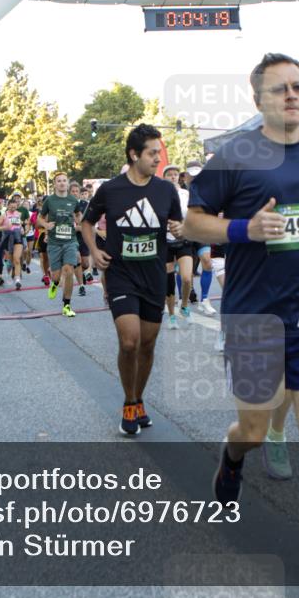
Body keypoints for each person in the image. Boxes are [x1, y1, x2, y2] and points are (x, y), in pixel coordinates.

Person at [184, 53, 299, 592]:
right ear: (258, 98)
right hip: (253, 316)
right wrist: (245, 229)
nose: (291, 95)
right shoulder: (234, 156)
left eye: (298, 87)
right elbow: (192, 223)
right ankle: (232, 458)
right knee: (254, 428)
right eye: (280, 89)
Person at [81, 124, 182, 436]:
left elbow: (178, 226)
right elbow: (86, 223)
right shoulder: (110, 190)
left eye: (159, 153)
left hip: (154, 276)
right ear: (134, 154)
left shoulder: (166, 190)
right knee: (129, 341)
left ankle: (139, 399)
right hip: (121, 275)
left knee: (147, 344)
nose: (158, 159)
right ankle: (129, 402)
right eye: (152, 153)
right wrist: (94, 251)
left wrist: (180, 229)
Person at [39, 172, 83, 317]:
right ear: (55, 184)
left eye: (64, 180)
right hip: (54, 242)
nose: (62, 183)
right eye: (59, 181)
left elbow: (78, 214)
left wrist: (79, 220)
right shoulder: (49, 200)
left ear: (67, 183)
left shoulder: (73, 200)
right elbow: (40, 218)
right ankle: (55, 283)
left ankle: (67, 305)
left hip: (70, 240)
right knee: (56, 275)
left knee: (69, 270)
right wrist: (46, 225)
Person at [184, 160, 218, 317]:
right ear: (186, 176)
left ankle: (205, 299)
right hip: (184, 232)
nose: (195, 177)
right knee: (185, 270)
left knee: (207, 262)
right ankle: (184, 298)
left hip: (201, 231)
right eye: (192, 175)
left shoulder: (208, 189)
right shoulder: (180, 191)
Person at [162, 164, 193, 329]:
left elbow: (192, 213)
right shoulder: (159, 195)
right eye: (169, 174)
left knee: (187, 278)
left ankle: (185, 305)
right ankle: (172, 316)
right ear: (164, 178)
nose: (173, 176)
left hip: (183, 239)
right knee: (169, 281)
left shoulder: (186, 194)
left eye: (175, 174)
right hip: (165, 241)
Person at [0, 196, 26, 289]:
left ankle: (17, 280)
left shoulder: (19, 214)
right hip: (8, 238)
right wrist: (5, 227)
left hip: (18, 237)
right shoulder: (4, 215)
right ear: (8, 206)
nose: (13, 209)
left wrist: (22, 229)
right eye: (11, 207)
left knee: (17, 259)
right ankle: (10, 265)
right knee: (11, 260)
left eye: (15, 207)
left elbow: (19, 225)